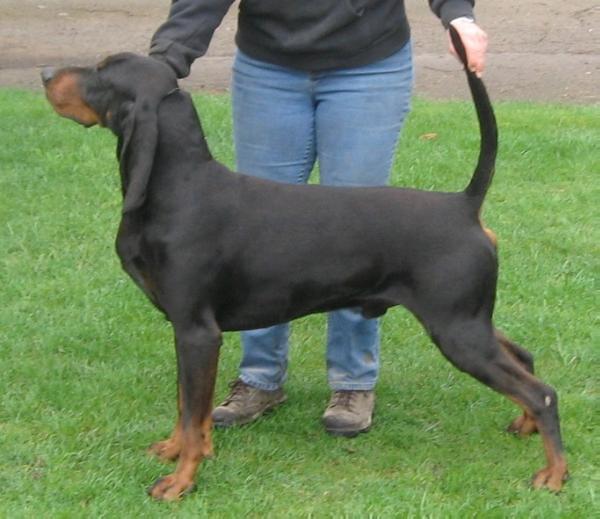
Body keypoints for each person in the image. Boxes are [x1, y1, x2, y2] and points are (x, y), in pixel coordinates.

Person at [150, 0, 488, 437]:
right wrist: (167, 58)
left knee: (359, 234)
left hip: (368, 63)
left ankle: (353, 382)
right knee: (254, 235)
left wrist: (457, 13)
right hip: (268, 67)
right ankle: (259, 379)